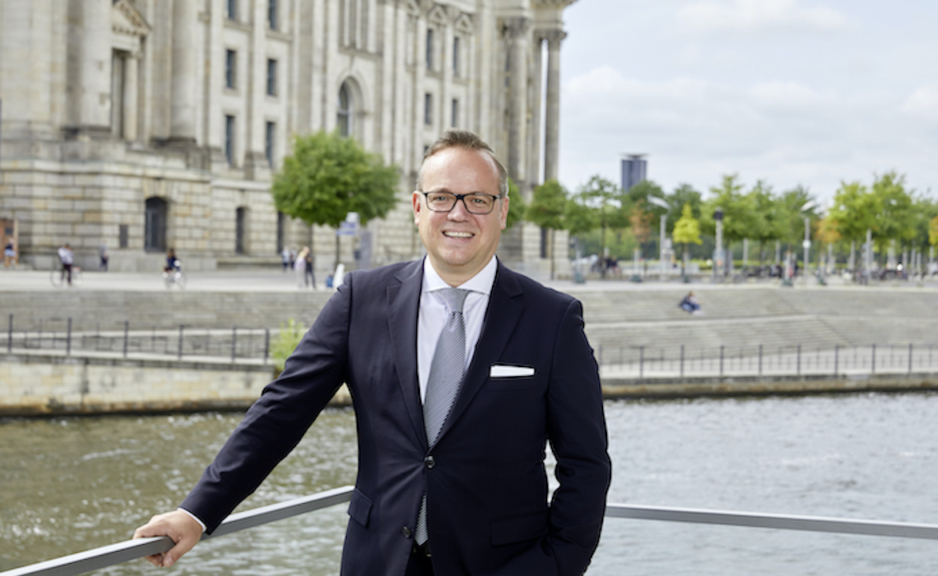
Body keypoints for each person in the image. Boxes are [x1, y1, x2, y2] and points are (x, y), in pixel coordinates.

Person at [133, 130, 612, 576]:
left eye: (478, 200)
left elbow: (586, 464)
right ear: (418, 207)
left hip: (504, 566)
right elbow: (280, 413)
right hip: (377, 561)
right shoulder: (360, 299)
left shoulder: (553, 319)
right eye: (442, 197)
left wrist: (556, 566)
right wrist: (197, 511)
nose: (458, 213)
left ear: (502, 211)